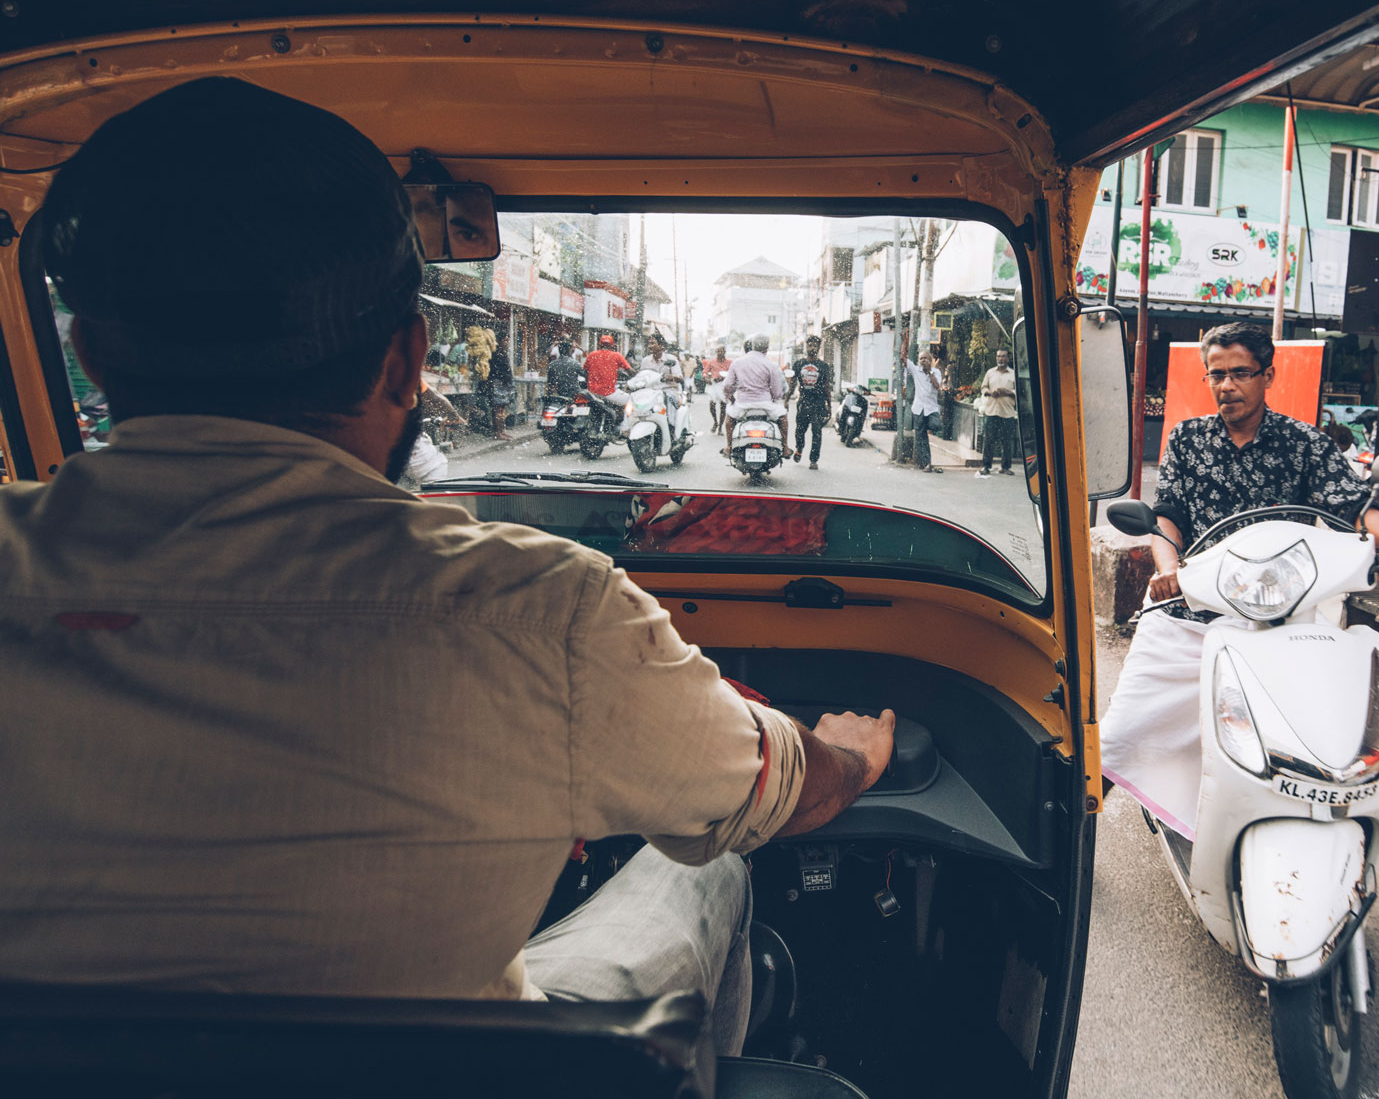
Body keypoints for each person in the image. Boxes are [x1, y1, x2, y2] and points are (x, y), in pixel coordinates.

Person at [0, 77, 895, 1058]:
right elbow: (776, 791)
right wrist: (854, 755)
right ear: (405, 360)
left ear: (89, 348)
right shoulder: (543, 613)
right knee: (706, 869)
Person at [1096, 322, 1379, 836]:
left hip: (1279, 624)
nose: (1227, 385)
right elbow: (1166, 515)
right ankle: (1069, 839)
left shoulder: (1305, 443)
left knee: (1307, 741)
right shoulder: (1187, 439)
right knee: (1121, 734)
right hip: (1190, 608)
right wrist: (1168, 569)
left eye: (1240, 373)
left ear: (1267, 375)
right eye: (1216, 375)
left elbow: (1352, 506)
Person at [722, 334, 787, 456]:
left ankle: (729, 447)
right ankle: (785, 447)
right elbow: (777, 392)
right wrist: (774, 399)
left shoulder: (737, 363)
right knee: (783, 418)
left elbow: (727, 386)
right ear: (766, 348)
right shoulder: (771, 365)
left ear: (751, 346)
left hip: (742, 404)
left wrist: (731, 398)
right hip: (765, 405)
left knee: (729, 418)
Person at [786, 335, 834, 470]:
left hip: (818, 403)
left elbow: (826, 386)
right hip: (803, 402)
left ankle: (813, 460)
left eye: (815, 345)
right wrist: (786, 399)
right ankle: (799, 448)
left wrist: (829, 406)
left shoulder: (823, 366)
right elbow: (792, 384)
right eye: (810, 345)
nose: (812, 347)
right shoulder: (799, 364)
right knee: (800, 430)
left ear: (819, 348)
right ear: (806, 347)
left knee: (817, 432)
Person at [902, 344, 945, 473]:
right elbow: (903, 359)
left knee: (936, 425)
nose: (923, 361)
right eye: (921, 359)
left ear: (931, 360)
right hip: (918, 409)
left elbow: (937, 386)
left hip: (931, 409)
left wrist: (930, 372)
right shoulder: (915, 370)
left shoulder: (936, 372)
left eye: (926, 358)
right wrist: (903, 341)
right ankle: (926, 463)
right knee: (920, 437)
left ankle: (928, 427)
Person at [976, 347, 1018, 477]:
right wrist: (990, 392)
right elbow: (983, 387)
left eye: (1003, 356)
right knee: (989, 440)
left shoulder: (1013, 374)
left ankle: (1005, 467)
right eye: (999, 356)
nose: (1001, 359)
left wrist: (1007, 392)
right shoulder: (990, 373)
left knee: (1006, 441)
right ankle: (986, 466)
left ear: (1008, 358)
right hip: (992, 411)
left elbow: (1019, 392)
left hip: (1007, 412)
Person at [583, 333, 632, 415]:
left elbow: (584, 371)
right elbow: (630, 371)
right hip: (609, 393)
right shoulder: (617, 356)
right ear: (612, 345)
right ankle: (624, 425)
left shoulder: (592, 355)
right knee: (631, 400)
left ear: (600, 345)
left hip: (592, 393)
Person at [485, 333, 516, 439]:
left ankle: (501, 431)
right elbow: (496, 370)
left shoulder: (502, 352)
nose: (507, 343)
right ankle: (498, 433)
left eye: (508, 341)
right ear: (500, 340)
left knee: (502, 409)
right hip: (498, 383)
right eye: (505, 340)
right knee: (498, 409)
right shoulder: (496, 353)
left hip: (503, 384)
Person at [703, 346, 730, 434]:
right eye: (718, 351)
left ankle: (720, 428)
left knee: (723, 407)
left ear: (724, 352)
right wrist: (706, 379)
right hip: (714, 385)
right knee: (712, 404)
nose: (719, 353)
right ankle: (715, 422)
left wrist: (724, 378)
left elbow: (733, 374)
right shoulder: (712, 362)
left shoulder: (729, 362)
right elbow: (705, 372)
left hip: (724, 385)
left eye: (721, 351)